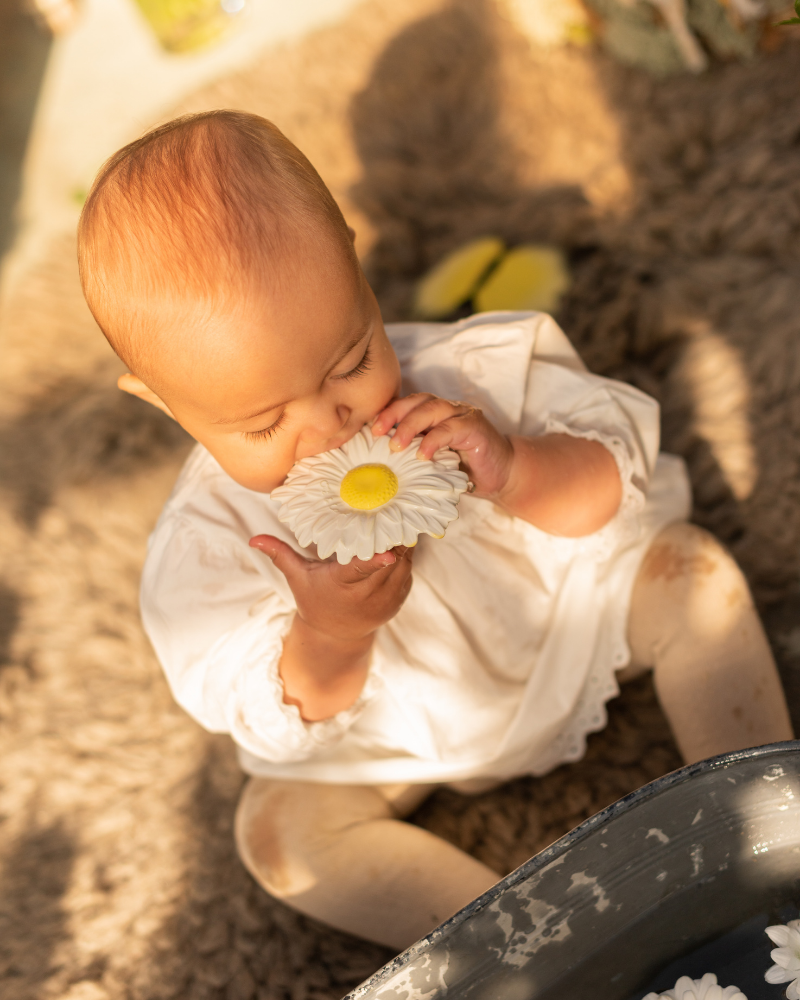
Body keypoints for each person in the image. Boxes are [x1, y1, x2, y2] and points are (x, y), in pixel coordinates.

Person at [77, 110, 793, 952]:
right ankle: (534, 943)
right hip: (400, 735)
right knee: (280, 838)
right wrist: (331, 634)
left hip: (566, 628)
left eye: (350, 360)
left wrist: (518, 466)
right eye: (265, 424)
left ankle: (769, 838)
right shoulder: (208, 550)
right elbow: (274, 714)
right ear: (167, 403)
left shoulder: (474, 378)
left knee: (694, 576)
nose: (333, 423)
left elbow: (611, 482)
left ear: (356, 266)